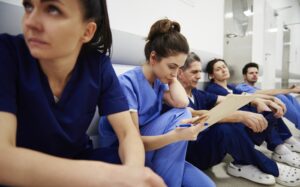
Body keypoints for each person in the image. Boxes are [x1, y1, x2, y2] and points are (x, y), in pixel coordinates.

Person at [0, 0, 166, 186]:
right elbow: (3, 158)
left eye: (52, 9)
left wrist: (132, 174)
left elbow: (128, 133)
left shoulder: (98, 66)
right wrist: (109, 177)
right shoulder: (7, 53)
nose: (30, 21)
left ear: (87, 31)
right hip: (24, 172)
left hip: (78, 160)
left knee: (142, 166)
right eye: (29, 6)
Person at [98, 19, 215, 187]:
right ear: (153, 57)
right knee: (183, 114)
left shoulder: (160, 81)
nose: (175, 73)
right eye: (172, 66)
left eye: (179, 68)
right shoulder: (127, 83)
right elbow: (133, 142)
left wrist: (172, 77)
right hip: (124, 151)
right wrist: (177, 136)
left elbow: (182, 102)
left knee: (208, 186)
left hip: (153, 145)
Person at [175, 52, 285, 185]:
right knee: (225, 127)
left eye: (199, 72)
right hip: (194, 155)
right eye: (194, 72)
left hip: (213, 149)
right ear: (180, 72)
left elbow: (227, 99)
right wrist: (239, 116)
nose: (199, 76)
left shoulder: (197, 94)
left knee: (258, 115)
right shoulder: (174, 97)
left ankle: (245, 159)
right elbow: (196, 114)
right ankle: (272, 168)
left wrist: (259, 101)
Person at [204, 58, 300, 186]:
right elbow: (239, 100)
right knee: (257, 108)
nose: (223, 70)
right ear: (211, 75)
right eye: (218, 69)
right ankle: (279, 149)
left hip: (250, 126)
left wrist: (271, 100)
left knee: (271, 107)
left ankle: (281, 146)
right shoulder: (213, 90)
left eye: (224, 67)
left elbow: (251, 96)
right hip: (238, 128)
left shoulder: (232, 87)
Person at [236, 62, 300, 130]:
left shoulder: (255, 88)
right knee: (279, 97)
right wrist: (291, 90)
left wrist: (289, 90)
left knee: (288, 96)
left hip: (264, 106)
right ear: (245, 76)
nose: (254, 75)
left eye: (256, 73)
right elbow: (265, 93)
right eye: (251, 73)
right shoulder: (241, 87)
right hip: (255, 109)